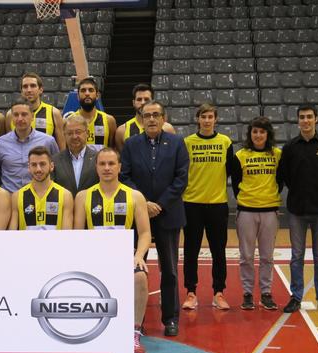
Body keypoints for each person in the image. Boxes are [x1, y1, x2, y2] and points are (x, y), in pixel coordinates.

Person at [120, 100, 189, 337]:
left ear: (163, 118)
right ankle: (135, 321)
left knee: (169, 270)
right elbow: (125, 176)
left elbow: (181, 178)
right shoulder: (131, 144)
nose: (151, 119)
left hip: (168, 214)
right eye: (146, 115)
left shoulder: (177, 143)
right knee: (136, 267)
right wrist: (143, 204)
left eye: (155, 115)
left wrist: (159, 204)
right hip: (139, 216)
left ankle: (170, 319)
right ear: (140, 119)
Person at [74, 148, 152, 353]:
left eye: (111, 164)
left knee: (140, 277)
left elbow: (145, 233)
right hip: (93, 259)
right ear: (96, 167)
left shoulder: (134, 196)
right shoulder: (83, 197)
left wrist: (138, 255)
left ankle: (134, 334)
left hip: (124, 257)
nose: (107, 168)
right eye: (102, 164)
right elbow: (77, 234)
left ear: (119, 167)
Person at [279, 104, 318, 314]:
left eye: (309, 117)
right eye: (302, 117)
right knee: (297, 256)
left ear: (316, 119)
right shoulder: (290, 147)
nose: (305, 120)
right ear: (298, 121)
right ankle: (296, 297)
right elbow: (285, 175)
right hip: (297, 209)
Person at [181, 103, 234, 311]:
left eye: (210, 117)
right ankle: (191, 292)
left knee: (218, 251)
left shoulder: (225, 142)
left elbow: (229, 170)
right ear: (198, 119)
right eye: (203, 117)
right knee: (191, 251)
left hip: (217, 204)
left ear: (215, 119)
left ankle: (218, 293)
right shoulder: (188, 142)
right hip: (192, 204)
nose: (207, 120)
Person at [231, 117, 283, 310]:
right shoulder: (240, 155)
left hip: (270, 211)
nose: (258, 135)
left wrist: (268, 197)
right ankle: (247, 293)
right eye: (255, 131)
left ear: (268, 134)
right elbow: (236, 184)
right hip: (246, 211)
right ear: (250, 134)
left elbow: (280, 181)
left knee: (267, 256)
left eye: (262, 132)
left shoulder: (277, 154)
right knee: (246, 256)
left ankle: (266, 293)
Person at [0, 98, 60, 193]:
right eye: (16, 115)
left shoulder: (48, 141)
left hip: (39, 196)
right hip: (9, 197)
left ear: (32, 116)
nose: (20, 119)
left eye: (24, 114)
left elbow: (56, 169)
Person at [9, 146, 73, 230]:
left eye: (42, 164)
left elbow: (67, 234)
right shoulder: (17, 196)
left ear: (51, 166)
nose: (38, 169)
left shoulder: (65, 195)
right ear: (29, 167)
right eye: (34, 165)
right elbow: (12, 234)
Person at [5, 72, 65, 150]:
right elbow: (8, 144)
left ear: (40, 90)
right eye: (25, 86)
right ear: (21, 91)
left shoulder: (53, 113)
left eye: (33, 86)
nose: (29, 90)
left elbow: (62, 149)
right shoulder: (10, 114)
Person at [114, 83, 175, 152]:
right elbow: (123, 157)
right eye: (139, 99)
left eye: (146, 99)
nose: (143, 102)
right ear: (133, 102)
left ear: (152, 101)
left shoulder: (167, 128)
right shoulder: (122, 131)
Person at [51, 114, 99, 197]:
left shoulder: (98, 159)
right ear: (64, 135)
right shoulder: (55, 160)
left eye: (78, 132)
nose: (74, 136)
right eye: (69, 133)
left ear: (87, 133)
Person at [73, 77, 117, 150]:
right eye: (83, 90)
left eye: (91, 90)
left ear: (97, 95)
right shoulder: (69, 120)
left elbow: (112, 149)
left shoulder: (109, 120)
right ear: (78, 96)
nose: (87, 93)